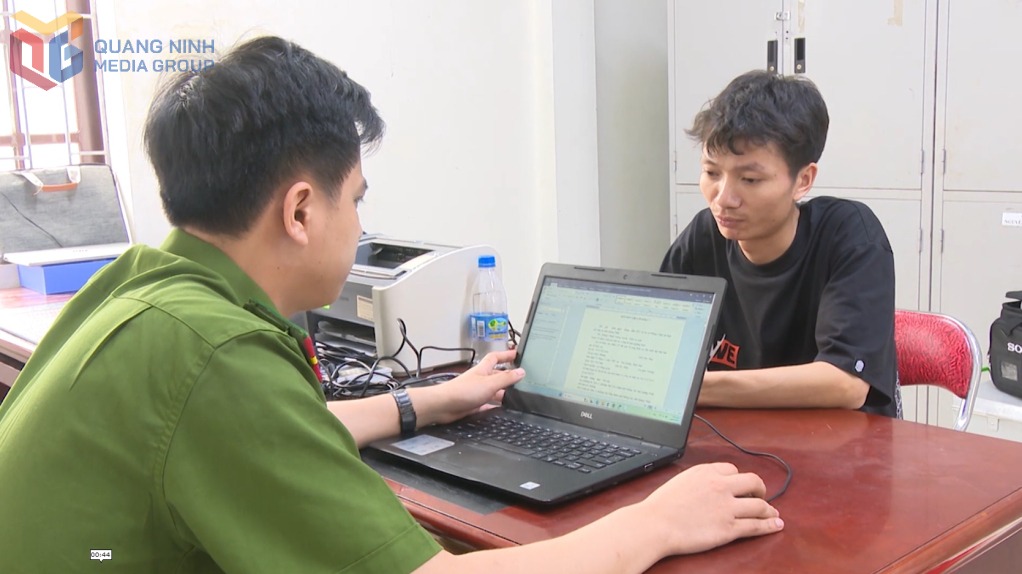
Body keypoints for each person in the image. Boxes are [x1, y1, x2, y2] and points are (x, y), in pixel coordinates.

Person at [0, 37, 783, 573]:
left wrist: (430, 402)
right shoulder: (214, 356)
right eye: (356, 200)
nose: (360, 225)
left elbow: (276, 433)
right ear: (300, 211)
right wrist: (658, 522)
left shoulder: (143, 287)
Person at [661, 70, 899, 418]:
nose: (723, 199)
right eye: (712, 173)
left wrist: (690, 388)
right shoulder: (703, 236)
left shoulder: (849, 235)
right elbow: (660, 345)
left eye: (749, 179)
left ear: (803, 180)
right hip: (735, 436)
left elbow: (846, 384)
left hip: (838, 440)